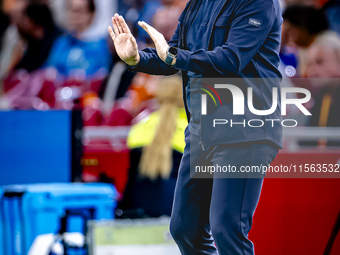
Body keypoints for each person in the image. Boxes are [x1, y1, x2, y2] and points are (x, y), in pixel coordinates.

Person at [108, 0, 283, 253]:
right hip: (201, 128)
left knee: (227, 227)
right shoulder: (198, 3)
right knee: (184, 228)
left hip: (245, 128)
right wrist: (136, 58)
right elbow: (173, 54)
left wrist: (172, 54)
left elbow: (231, 59)